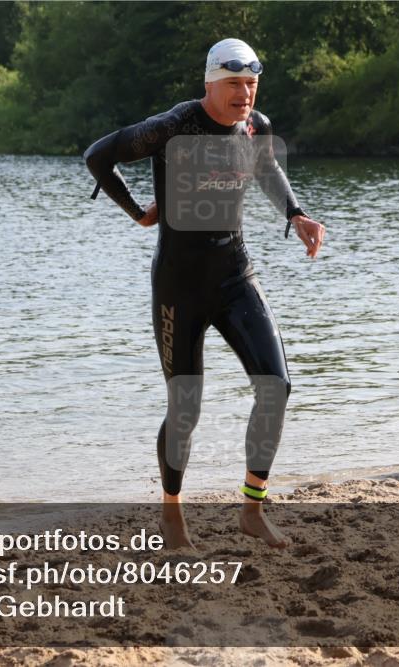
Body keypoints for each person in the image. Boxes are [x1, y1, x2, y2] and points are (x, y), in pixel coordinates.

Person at [83, 38, 325, 549]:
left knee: (276, 386)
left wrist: (296, 213)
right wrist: (138, 213)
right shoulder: (174, 126)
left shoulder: (255, 126)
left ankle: (252, 509)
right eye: (234, 83)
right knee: (185, 407)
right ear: (211, 84)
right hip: (180, 285)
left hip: (235, 274)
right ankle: (172, 514)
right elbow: (99, 156)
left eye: (251, 84)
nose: (245, 93)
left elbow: (265, 166)